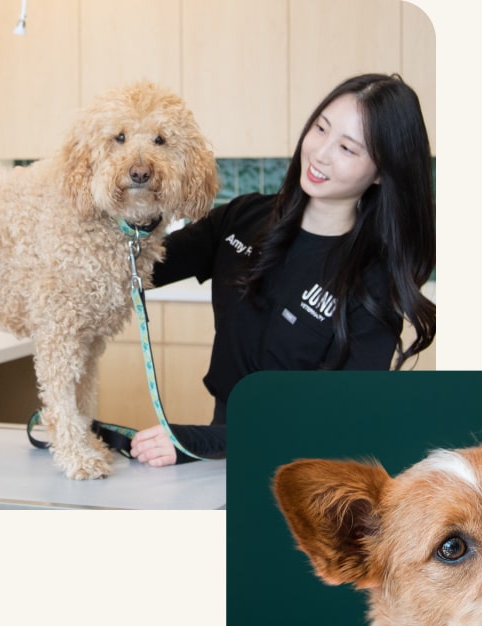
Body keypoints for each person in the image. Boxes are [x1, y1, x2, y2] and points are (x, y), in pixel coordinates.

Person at [130, 72, 435, 466]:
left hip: (307, 470)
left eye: (347, 148)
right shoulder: (243, 217)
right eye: (320, 128)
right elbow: (137, 267)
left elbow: (339, 420)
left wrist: (198, 442)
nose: (321, 153)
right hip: (221, 449)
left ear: (380, 172)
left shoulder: (374, 285)